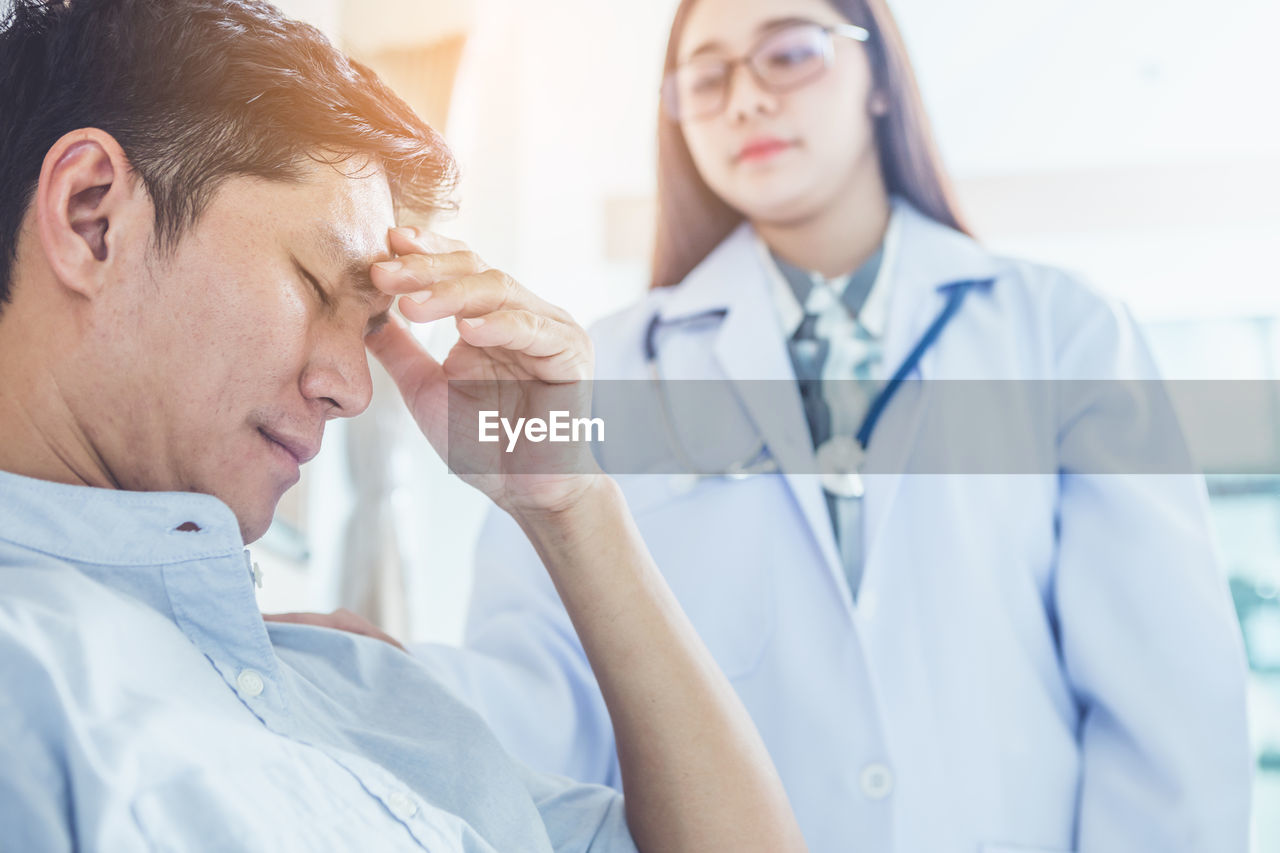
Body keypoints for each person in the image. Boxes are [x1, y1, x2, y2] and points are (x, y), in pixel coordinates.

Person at [326, 0, 1249, 850]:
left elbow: (1165, 706)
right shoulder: (592, 371)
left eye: (791, 53)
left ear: (879, 78)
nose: (748, 98)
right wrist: (389, 681)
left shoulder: (1060, 333)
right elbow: (551, 703)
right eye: (709, 75)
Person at [0, 2, 807, 851]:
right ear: (93, 216)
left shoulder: (371, 689)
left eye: (372, 326)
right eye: (316, 286)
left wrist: (569, 500)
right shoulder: (35, 676)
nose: (353, 389)